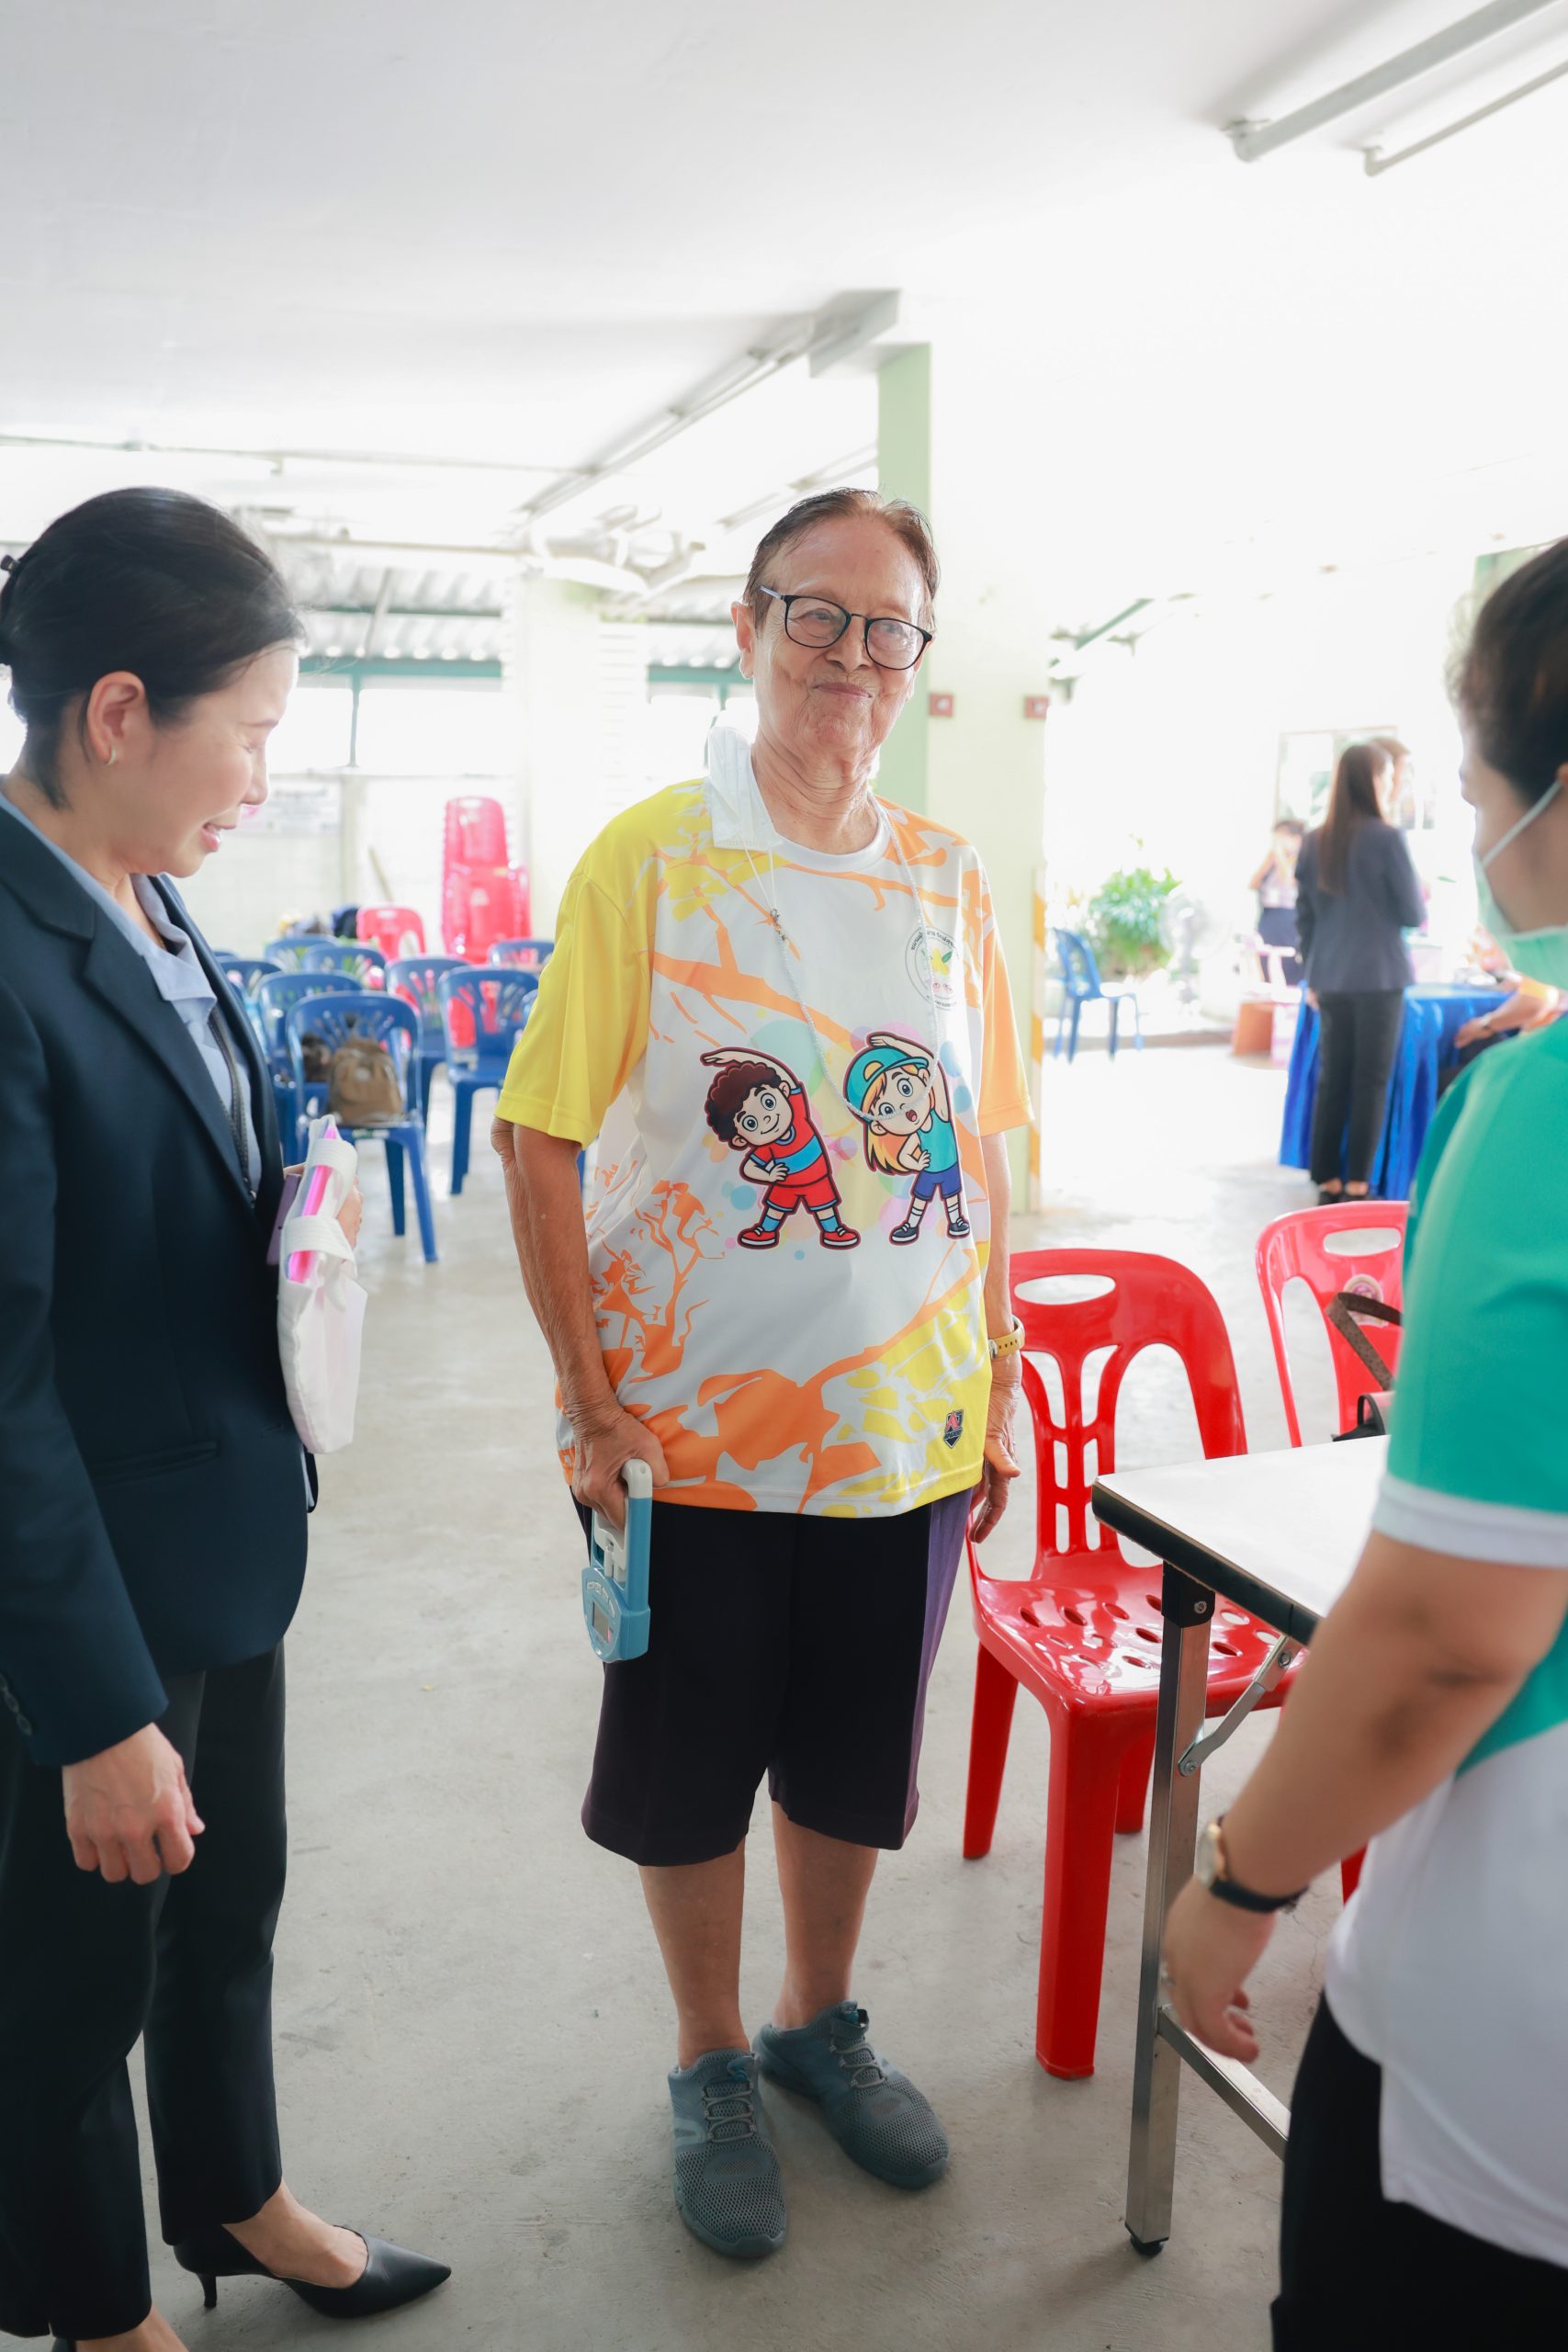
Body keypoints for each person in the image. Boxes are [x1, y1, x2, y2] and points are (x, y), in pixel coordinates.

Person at [491, 488, 1033, 2261]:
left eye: (889, 628)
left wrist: (995, 1376)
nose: (852, 657)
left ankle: (815, 2021)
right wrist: (589, 1402)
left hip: (901, 1434)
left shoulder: (949, 878)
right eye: (817, 615)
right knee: (688, 1767)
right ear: (745, 626)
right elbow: (540, 1137)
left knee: (851, 1761)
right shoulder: (653, 858)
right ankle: (711, 2054)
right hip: (692, 1438)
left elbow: (980, 1147)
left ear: (917, 657)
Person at [0, 490, 450, 2352]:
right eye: (250, 731)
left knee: (227, 1894)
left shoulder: (148, 889)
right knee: (66, 1979)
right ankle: (102, 2314)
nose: (261, 779)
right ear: (118, 712)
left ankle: (237, 2192)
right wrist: (92, 1709)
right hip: (82, 1593)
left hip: (216, 1529)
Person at [1163, 537, 1568, 2347]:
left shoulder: (1538, 1113)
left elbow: (1438, 1637)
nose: (1477, 831)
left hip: (1512, 2070)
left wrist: (1236, 1877)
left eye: (1480, 792)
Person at [1295, 741, 1425, 1201]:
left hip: (1330, 975)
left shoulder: (1315, 840)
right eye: (1387, 776)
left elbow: (1304, 918)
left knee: (1333, 1078)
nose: (1391, 785)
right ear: (1374, 781)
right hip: (1379, 978)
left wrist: (1312, 975)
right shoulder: (1387, 838)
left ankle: (1326, 1178)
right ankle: (1357, 1183)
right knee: (1371, 1082)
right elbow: (1412, 913)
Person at [1248, 817, 1304, 984]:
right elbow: (1253, 884)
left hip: (1289, 916)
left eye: (1282, 837)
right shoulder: (1271, 859)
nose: (1278, 843)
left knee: (1287, 960)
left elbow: (1288, 880)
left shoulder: (1301, 859)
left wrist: (1279, 855)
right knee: (1265, 958)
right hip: (1269, 915)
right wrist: (1270, 860)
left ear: (1296, 839)